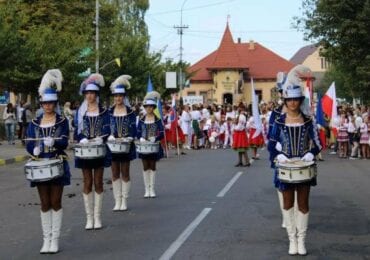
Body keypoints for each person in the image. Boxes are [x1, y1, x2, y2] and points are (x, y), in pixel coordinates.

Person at [268, 65, 322, 256]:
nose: (292, 103)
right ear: (285, 100)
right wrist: (278, 155)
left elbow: (317, 143)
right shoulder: (278, 121)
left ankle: (302, 240)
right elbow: (271, 144)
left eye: (295, 100)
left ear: (300, 101)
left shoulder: (308, 120)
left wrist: (312, 153)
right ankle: (292, 240)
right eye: (289, 99)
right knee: (288, 204)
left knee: (304, 204)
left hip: (304, 167)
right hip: (286, 168)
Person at [25, 69, 70, 254]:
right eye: (45, 103)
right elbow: (28, 142)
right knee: (44, 203)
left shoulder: (62, 122)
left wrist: (56, 142)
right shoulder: (34, 123)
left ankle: (55, 239)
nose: (48, 106)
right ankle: (46, 239)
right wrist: (33, 149)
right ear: (42, 104)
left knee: (55, 201)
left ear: (55, 104)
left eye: (51, 103)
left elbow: (65, 141)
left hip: (57, 163)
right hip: (40, 166)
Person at [74, 73, 110, 230]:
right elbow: (77, 130)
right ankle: (89, 218)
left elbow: (108, 128)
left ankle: (97, 217)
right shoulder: (81, 112)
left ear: (96, 94)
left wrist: (101, 138)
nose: (90, 96)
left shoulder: (103, 111)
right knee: (87, 182)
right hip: (85, 151)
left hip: (99, 149)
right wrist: (81, 137)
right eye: (87, 93)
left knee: (98, 181)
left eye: (92, 93)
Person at [107, 75, 137, 211]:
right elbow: (106, 127)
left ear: (124, 97)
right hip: (113, 146)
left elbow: (133, 128)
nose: (118, 98)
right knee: (114, 173)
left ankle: (124, 199)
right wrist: (109, 136)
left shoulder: (130, 112)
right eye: (116, 96)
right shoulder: (109, 112)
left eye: (120, 96)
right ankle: (116, 200)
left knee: (125, 172)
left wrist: (129, 137)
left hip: (125, 145)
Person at [137, 91, 164, 198]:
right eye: (147, 107)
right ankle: (146, 189)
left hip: (153, 146)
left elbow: (162, 133)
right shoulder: (142, 120)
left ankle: (152, 189)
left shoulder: (157, 120)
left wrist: (156, 138)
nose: (149, 108)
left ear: (153, 108)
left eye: (151, 107)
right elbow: (138, 131)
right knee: (145, 167)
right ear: (145, 107)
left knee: (152, 166)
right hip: (144, 146)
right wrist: (141, 137)